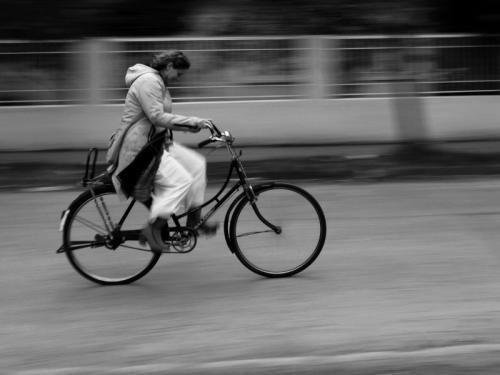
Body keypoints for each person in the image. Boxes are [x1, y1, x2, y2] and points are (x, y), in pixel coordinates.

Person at [109, 50, 217, 253]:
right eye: (179, 73)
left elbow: (159, 120)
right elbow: (157, 116)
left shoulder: (159, 83)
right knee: (181, 181)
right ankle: (153, 228)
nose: (179, 78)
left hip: (155, 142)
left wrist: (190, 127)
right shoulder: (149, 81)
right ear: (168, 66)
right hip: (140, 149)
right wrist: (192, 121)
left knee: (196, 165)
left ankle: (194, 220)